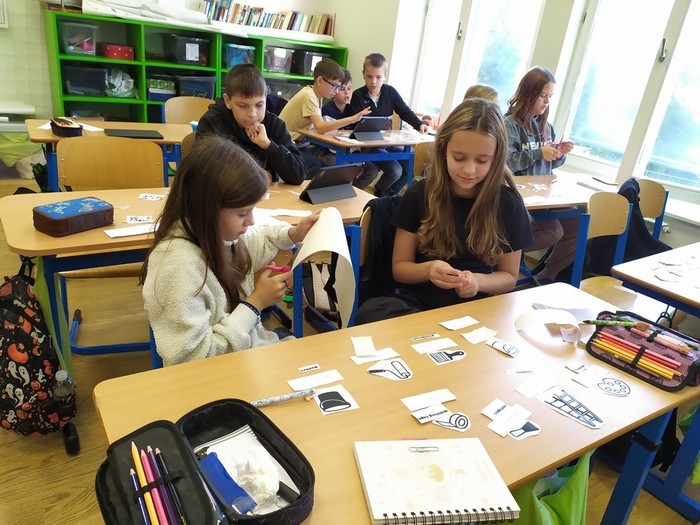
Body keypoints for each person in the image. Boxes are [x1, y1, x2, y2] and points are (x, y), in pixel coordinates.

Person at [140, 135, 320, 366]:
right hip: (220, 374)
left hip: (246, 354)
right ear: (207, 209)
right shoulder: (178, 267)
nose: (251, 221)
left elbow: (261, 236)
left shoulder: (219, 236)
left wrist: (294, 233)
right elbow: (191, 360)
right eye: (243, 213)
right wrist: (255, 304)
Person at [356, 98, 534, 323]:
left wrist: (477, 282)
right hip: (419, 304)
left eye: (482, 160)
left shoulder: (508, 202)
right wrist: (429, 270)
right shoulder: (420, 194)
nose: (469, 169)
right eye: (459, 158)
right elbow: (400, 269)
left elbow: (508, 276)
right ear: (444, 150)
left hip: (477, 307)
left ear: (496, 158)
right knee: (371, 312)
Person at [504, 66, 577, 285]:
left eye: (550, 97)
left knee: (577, 224)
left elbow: (550, 163)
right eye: (543, 95)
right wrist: (539, 153)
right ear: (528, 93)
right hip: (518, 196)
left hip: (543, 194)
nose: (546, 102)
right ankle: (498, 251)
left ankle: (547, 274)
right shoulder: (509, 124)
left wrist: (559, 153)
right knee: (553, 231)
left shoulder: (546, 126)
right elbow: (507, 161)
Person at [196, 64, 306, 185]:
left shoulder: (274, 124)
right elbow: (202, 172)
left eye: (259, 105)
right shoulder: (212, 122)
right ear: (228, 101)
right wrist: (253, 176)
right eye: (243, 106)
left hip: (267, 195)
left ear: (265, 98)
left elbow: (298, 175)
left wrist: (268, 145)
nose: (252, 114)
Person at [347, 53, 429, 197]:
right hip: (369, 146)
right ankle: (379, 191)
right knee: (395, 170)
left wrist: (419, 124)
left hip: (387, 143)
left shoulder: (390, 92)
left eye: (378, 77)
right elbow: (354, 125)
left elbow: (404, 111)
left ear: (385, 75)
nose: (374, 82)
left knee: (410, 166)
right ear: (363, 75)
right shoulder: (357, 96)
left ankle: (384, 193)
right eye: (369, 76)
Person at [280, 58, 371, 178]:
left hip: (297, 145)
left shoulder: (316, 96)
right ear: (319, 80)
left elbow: (318, 127)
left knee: (325, 170)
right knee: (316, 167)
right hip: (285, 145)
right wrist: (352, 119)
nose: (336, 91)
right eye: (335, 86)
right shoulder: (309, 96)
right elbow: (320, 127)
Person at [321, 68, 379, 190]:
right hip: (330, 153)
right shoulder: (327, 110)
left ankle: (353, 192)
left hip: (352, 153)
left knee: (372, 170)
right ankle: (341, 192)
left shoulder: (353, 109)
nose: (347, 93)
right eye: (342, 89)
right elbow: (329, 140)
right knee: (346, 169)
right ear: (335, 89)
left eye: (349, 88)